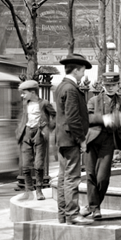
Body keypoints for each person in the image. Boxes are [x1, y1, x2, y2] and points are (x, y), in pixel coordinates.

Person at [84, 71, 121, 218]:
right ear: (103, 85)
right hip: (92, 141)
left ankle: (92, 205)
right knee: (91, 174)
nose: (110, 88)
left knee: (103, 178)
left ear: (118, 86)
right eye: (107, 85)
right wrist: (104, 119)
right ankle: (95, 207)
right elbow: (87, 118)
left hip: (108, 142)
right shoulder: (94, 100)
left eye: (113, 85)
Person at [52, 53, 92, 225]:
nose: (83, 74)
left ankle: (63, 214)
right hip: (71, 139)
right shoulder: (71, 89)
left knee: (63, 177)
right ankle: (72, 214)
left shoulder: (61, 86)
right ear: (76, 70)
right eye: (82, 71)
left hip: (62, 139)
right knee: (72, 178)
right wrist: (81, 139)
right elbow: (73, 118)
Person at [15, 80, 55, 200]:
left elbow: (55, 115)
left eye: (24, 92)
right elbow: (22, 117)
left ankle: (39, 190)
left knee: (39, 164)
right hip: (26, 133)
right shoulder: (24, 103)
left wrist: (48, 127)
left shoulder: (44, 103)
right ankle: (29, 190)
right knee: (25, 165)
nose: (22, 95)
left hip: (39, 134)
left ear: (32, 92)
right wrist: (19, 129)